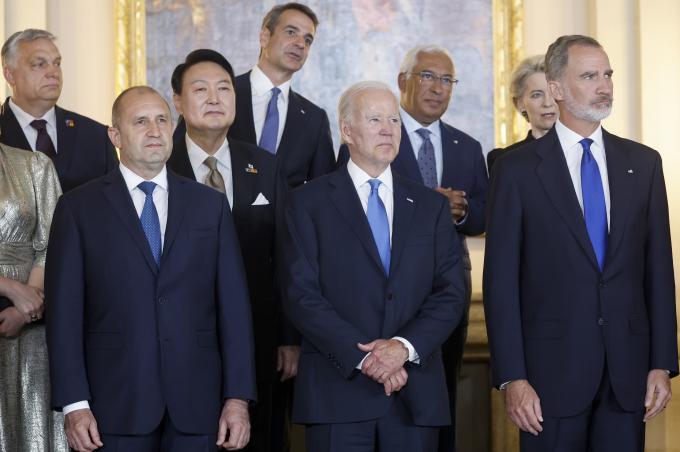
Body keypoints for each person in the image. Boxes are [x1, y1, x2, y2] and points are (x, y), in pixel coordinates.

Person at [484, 35, 678, 452]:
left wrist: (662, 364)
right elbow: (501, 282)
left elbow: (659, 272)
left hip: (628, 375)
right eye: (589, 76)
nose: (604, 86)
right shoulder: (515, 170)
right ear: (556, 88)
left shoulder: (644, 163)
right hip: (547, 380)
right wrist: (513, 377)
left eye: (607, 74)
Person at [45, 86, 256, 452]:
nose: (155, 130)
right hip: (113, 406)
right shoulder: (78, 209)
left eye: (162, 120)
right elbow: (64, 314)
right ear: (115, 136)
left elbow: (234, 309)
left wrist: (237, 397)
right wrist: (74, 404)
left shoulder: (210, 206)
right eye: (140, 121)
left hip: (198, 405)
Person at [281, 81, 466, 452]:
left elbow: (451, 292)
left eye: (394, 120)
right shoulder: (307, 203)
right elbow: (301, 294)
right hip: (338, 392)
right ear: (347, 131)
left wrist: (402, 348)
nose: (388, 129)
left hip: (414, 393)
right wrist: (366, 357)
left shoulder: (430, 206)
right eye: (375, 119)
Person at [337, 44, 488, 451]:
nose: (438, 87)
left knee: (439, 391)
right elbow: (345, 213)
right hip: (371, 296)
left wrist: (459, 211)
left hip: (442, 292)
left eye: (447, 79)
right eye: (428, 76)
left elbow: (484, 214)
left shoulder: (466, 146)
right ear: (403, 80)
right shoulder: (369, 140)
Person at [167, 49, 291, 452]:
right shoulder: (158, 165)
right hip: (177, 343)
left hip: (257, 343)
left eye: (224, 89)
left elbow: (286, 258)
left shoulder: (265, 166)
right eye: (200, 89)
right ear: (178, 101)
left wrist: (290, 337)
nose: (214, 98)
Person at [0, 144, 66, 451]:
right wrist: (10, 288)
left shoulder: (34, 165)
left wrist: (28, 308)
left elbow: (52, 243)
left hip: (32, 328)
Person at [227, 2, 335, 188]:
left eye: (308, 40)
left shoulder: (315, 119)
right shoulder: (224, 95)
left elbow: (324, 191)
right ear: (265, 37)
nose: (300, 44)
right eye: (291, 32)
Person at [0, 29, 118, 192]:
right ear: (10, 75)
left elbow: (115, 200)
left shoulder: (96, 137)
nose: (53, 73)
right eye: (39, 64)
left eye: (57, 63)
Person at [487, 55, 557, 172]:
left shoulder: (583, 153)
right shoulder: (504, 160)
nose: (547, 103)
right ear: (520, 104)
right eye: (536, 95)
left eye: (554, 93)